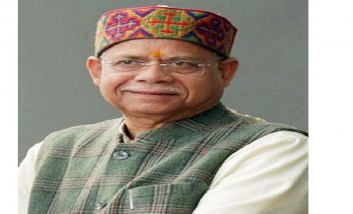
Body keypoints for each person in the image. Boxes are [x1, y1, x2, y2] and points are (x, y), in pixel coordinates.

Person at [19, 5, 308, 214]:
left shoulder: (276, 150)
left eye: (182, 64)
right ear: (96, 71)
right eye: (128, 62)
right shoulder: (53, 151)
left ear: (225, 73)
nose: (152, 76)